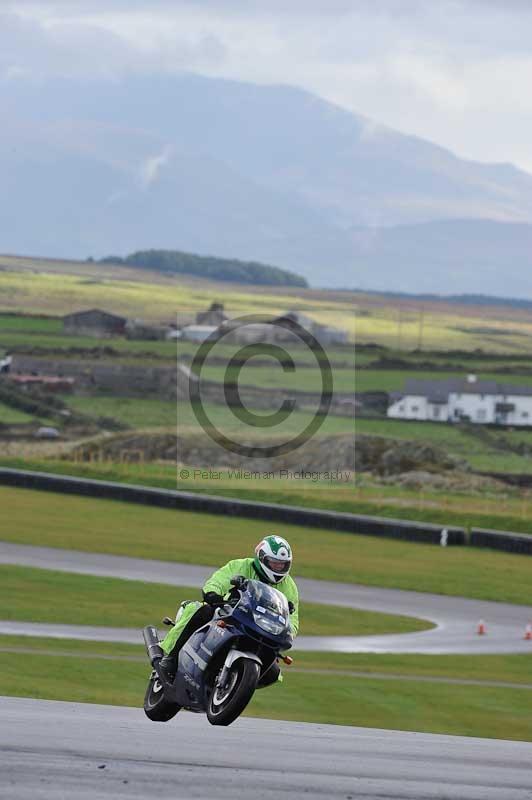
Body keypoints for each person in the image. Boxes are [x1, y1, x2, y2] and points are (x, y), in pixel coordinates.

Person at [159, 535, 299, 687]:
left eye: (283, 564)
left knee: (273, 673)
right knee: (203, 610)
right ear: (262, 558)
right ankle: (171, 658)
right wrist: (213, 593)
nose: (279, 568)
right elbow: (219, 580)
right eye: (274, 563)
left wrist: (289, 632)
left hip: (260, 628)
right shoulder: (241, 565)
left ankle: (235, 685)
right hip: (231, 614)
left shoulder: (289, 586)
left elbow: (293, 619)